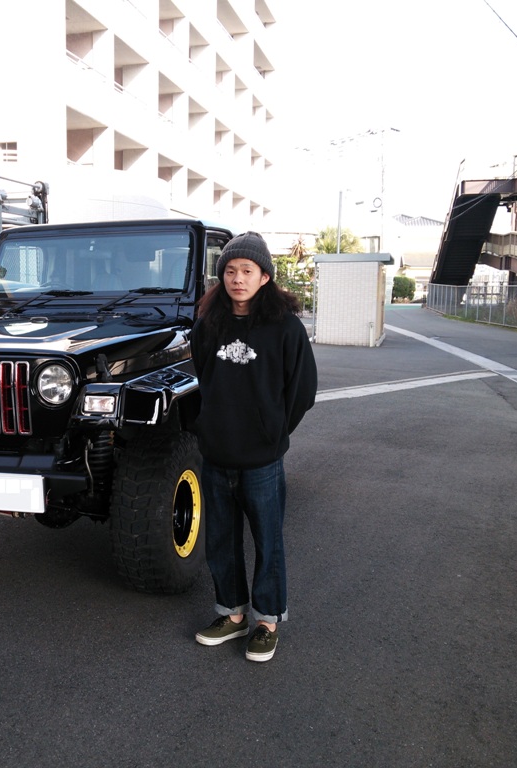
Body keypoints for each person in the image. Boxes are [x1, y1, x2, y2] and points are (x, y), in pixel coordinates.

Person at [190, 231, 317, 662]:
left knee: (268, 541)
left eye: (247, 270)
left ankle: (266, 620)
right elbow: (201, 381)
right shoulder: (208, 325)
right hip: (216, 455)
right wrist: (208, 428)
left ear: (265, 277)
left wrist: (273, 434)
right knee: (221, 540)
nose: (237, 278)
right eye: (230, 270)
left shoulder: (285, 328)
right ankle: (232, 614)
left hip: (261, 460)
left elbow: (302, 391)